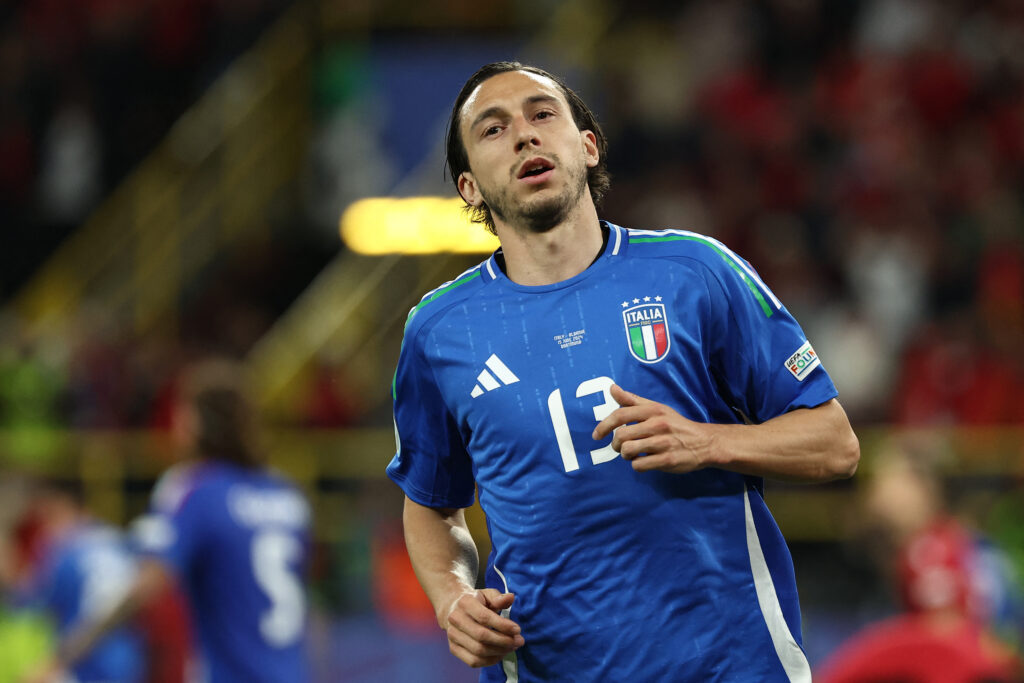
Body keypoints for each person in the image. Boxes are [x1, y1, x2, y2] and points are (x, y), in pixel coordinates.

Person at [386, 61, 861, 681]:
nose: (526, 135)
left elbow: (835, 445)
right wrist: (453, 599)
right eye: (493, 129)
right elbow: (429, 503)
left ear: (587, 147)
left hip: (732, 664)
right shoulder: (437, 332)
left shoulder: (695, 273)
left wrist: (708, 440)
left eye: (542, 113)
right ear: (470, 187)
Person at [34, 358, 313, 683]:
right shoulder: (289, 496)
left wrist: (63, 656)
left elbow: (146, 586)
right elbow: (307, 607)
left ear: (199, 422)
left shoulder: (195, 489)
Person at [4, 476, 144, 683]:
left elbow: (26, 603)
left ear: (61, 508)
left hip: (87, 661)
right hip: (131, 659)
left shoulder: (65, 550)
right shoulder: (116, 539)